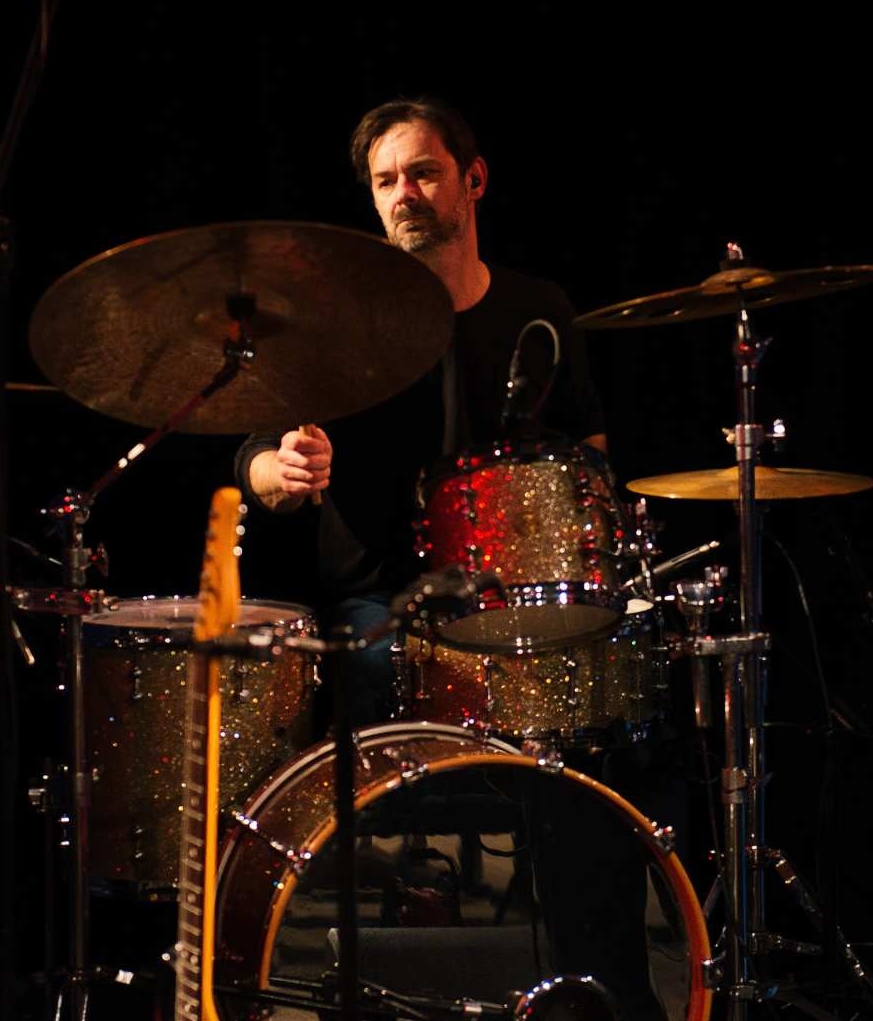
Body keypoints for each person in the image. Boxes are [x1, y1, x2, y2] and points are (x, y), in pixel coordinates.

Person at [236, 95, 606, 722]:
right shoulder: (334, 320)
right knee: (372, 665)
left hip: (514, 593)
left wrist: (585, 533)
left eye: (423, 173)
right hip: (379, 605)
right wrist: (285, 470)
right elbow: (256, 458)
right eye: (386, 182)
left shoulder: (539, 308)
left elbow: (588, 450)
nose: (403, 194)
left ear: (474, 179)